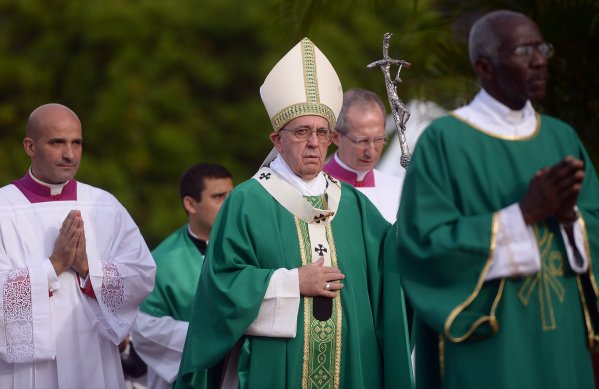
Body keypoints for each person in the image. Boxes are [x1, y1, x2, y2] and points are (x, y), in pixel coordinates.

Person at [397, 10, 599, 389]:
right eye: (524, 50)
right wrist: (522, 214)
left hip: (562, 340)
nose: (540, 60)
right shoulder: (445, 141)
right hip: (492, 343)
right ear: (485, 66)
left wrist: (571, 218)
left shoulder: (561, 137)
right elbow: (422, 247)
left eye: (542, 48)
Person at [177, 38, 412, 388]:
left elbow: (391, 270)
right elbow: (221, 287)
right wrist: (291, 283)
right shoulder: (247, 201)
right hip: (276, 365)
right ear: (277, 139)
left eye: (321, 132)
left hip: (351, 367)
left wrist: (422, 221)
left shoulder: (354, 205)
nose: (314, 143)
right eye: (302, 132)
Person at [0, 103, 156, 388]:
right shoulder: (4, 208)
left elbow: (142, 273)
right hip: (28, 372)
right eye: (57, 142)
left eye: (77, 143)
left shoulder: (104, 205)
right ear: (29, 146)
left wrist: (86, 267)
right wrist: (53, 266)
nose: (69, 154)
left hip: (94, 357)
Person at [131, 162, 234, 389]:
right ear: (190, 204)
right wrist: (215, 335)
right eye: (219, 197)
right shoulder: (161, 262)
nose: (229, 205)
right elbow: (143, 328)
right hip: (185, 376)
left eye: (231, 196)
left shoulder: (249, 248)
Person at [323, 88, 402, 222]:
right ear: (335, 137)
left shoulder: (398, 189)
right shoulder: (314, 189)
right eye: (362, 141)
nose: (371, 152)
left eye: (379, 139)